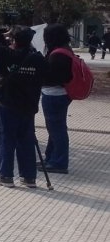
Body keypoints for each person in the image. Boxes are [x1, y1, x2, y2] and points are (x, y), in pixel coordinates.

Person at [0, 26, 47, 187]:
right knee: (27, 139)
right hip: (29, 104)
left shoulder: (6, 54)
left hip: (9, 103)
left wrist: (1, 33)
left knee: (7, 139)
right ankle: (29, 177)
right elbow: (46, 76)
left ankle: (5, 176)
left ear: (13, 40)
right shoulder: (38, 58)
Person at [41, 24, 74, 174]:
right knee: (55, 128)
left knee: (57, 129)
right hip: (61, 94)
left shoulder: (57, 55)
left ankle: (59, 162)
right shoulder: (65, 50)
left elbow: (51, 77)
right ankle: (51, 158)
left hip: (54, 94)